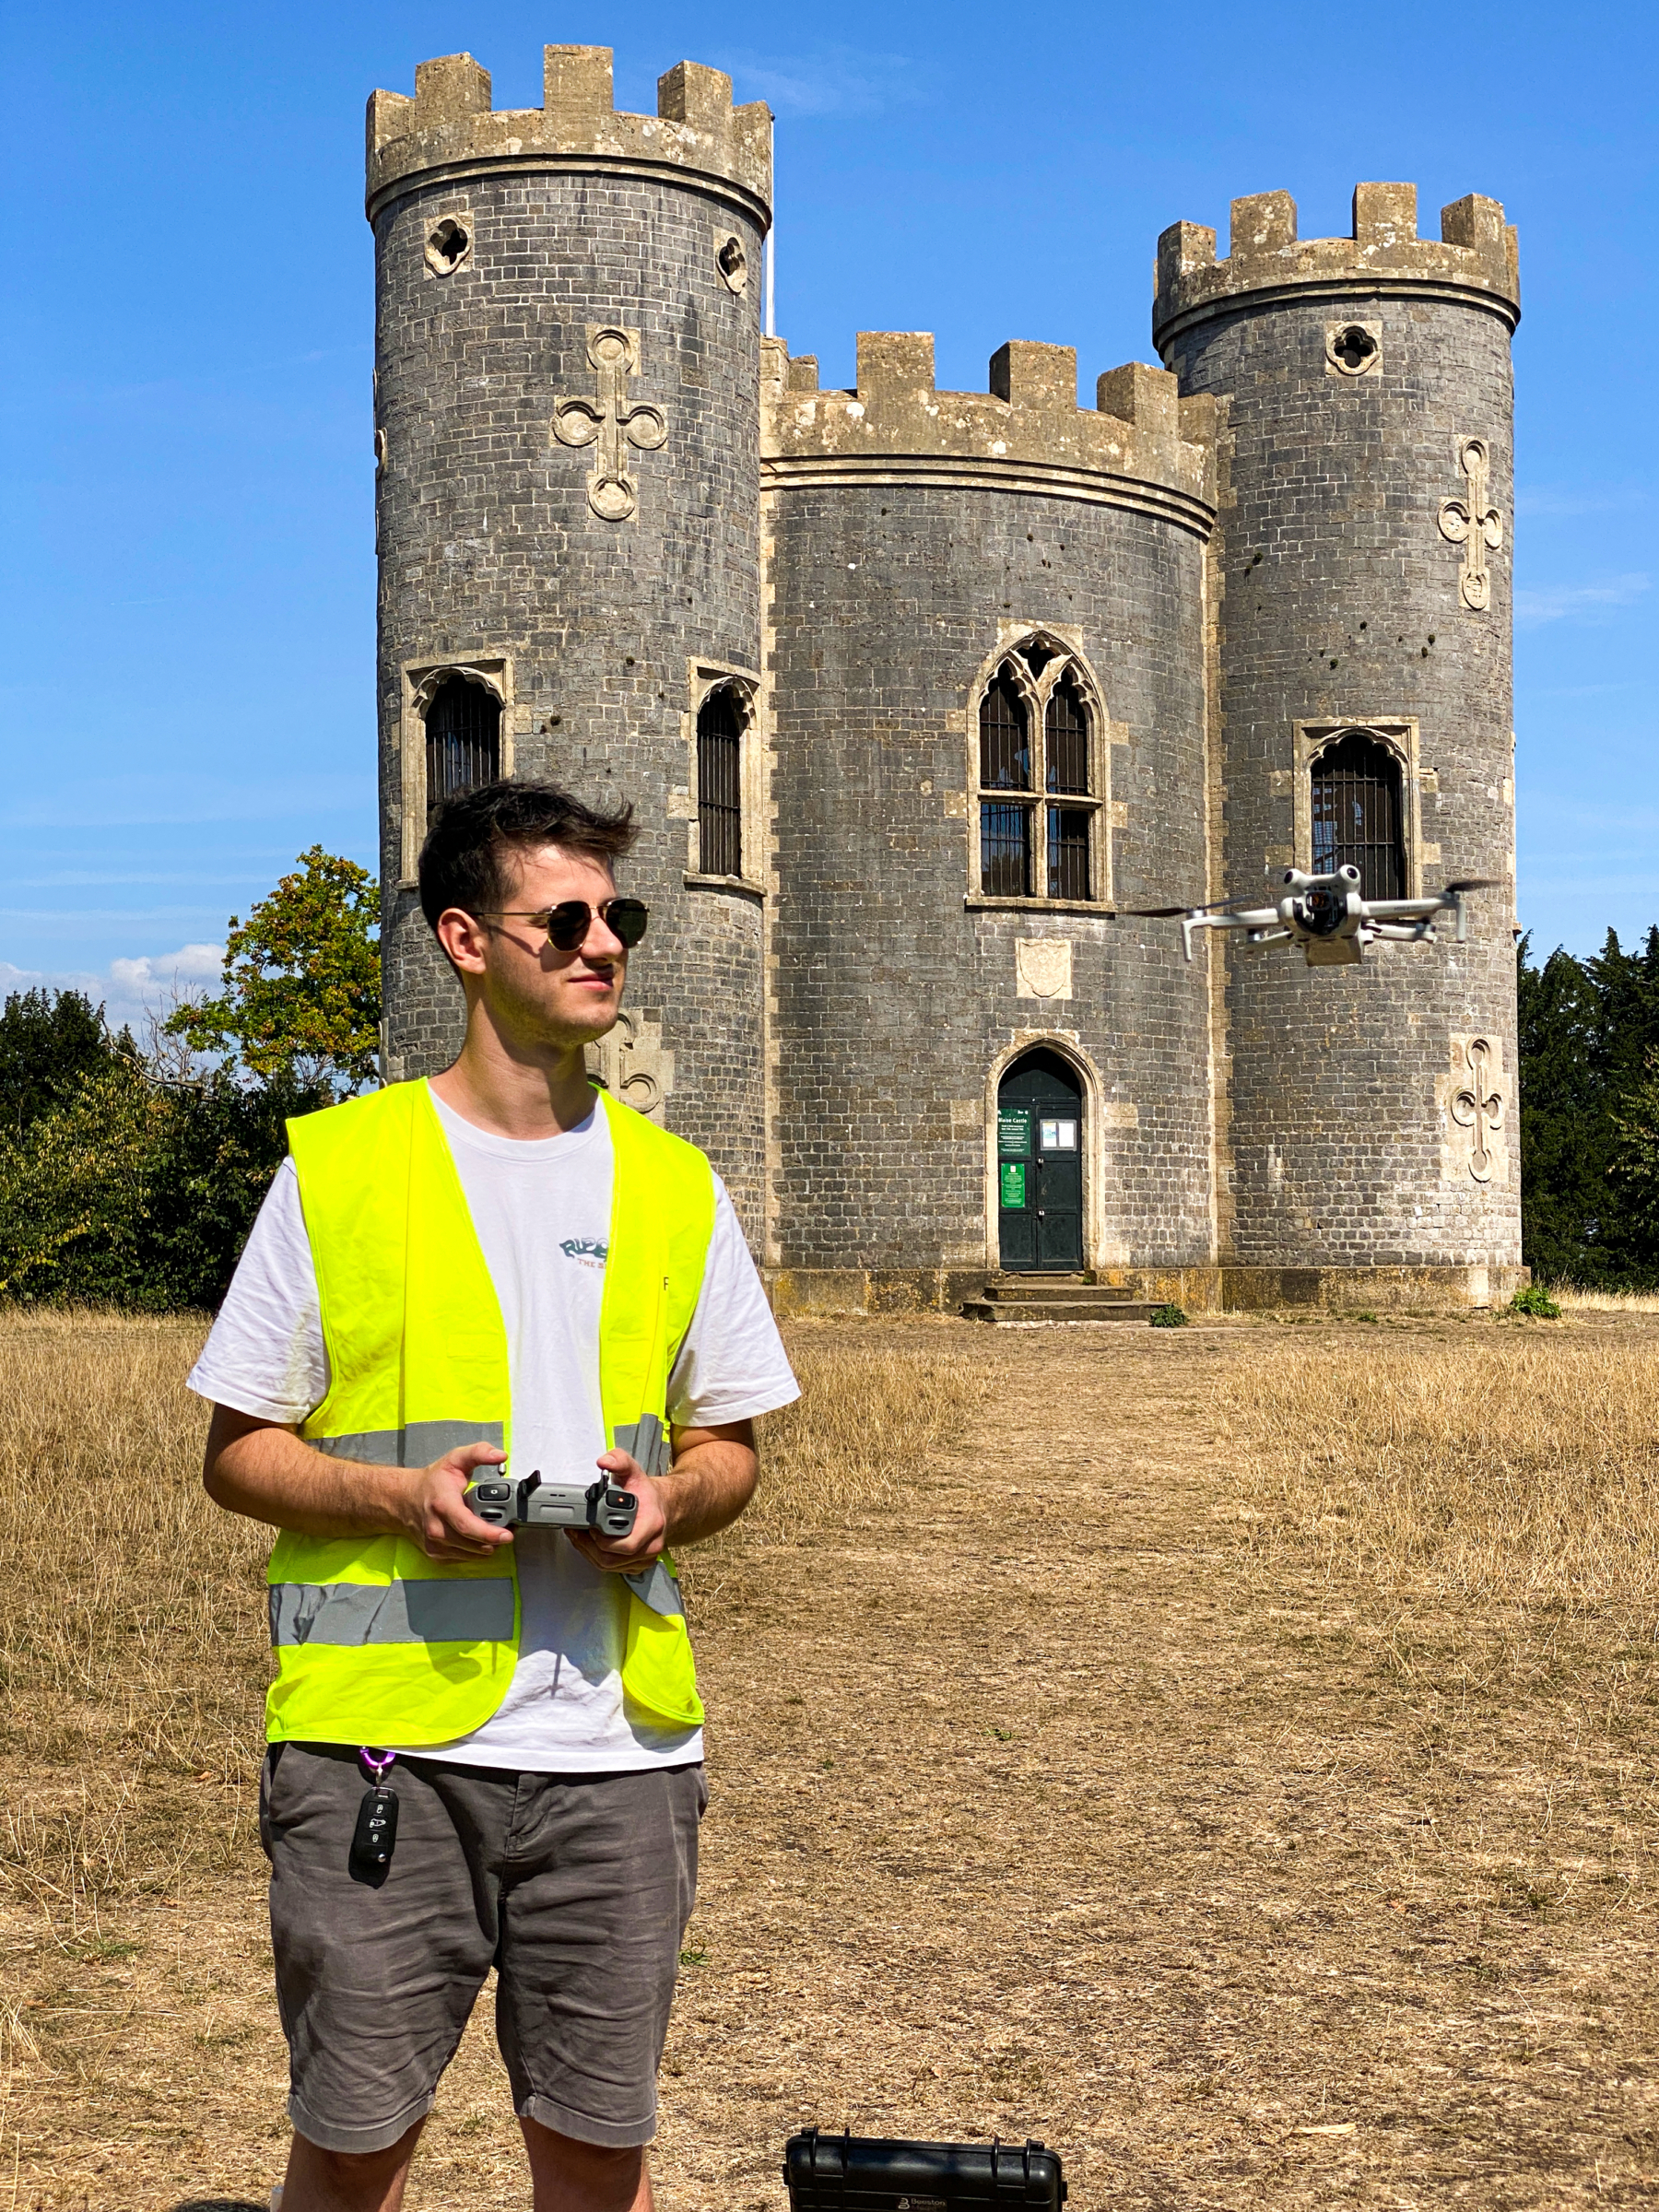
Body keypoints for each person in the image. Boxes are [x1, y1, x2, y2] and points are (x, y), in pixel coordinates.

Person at [190, 780, 798, 2212]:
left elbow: (734, 1450)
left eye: (619, 917)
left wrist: (674, 1500)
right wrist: (398, 1501)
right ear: (465, 940)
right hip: (381, 1760)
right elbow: (236, 1452)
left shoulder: (677, 1185)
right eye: (567, 919)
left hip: (621, 1764)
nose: (605, 946)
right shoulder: (338, 1170)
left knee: (599, 2169)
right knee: (350, 2159)